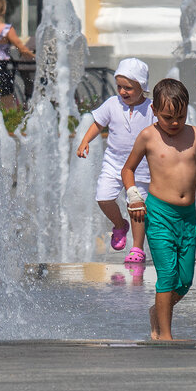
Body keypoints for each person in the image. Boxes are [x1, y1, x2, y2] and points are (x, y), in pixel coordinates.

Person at [122, 79, 196, 340]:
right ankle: (165, 335)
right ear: (154, 110)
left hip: (187, 217)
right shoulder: (148, 136)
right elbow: (127, 169)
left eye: (180, 116)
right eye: (167, 117)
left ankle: (158, 311)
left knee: (184, 281)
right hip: (160, 214)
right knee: (167, 275)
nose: (175, 123)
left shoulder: (194, 135)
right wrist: (134, 196)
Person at [75, 57, 155, 268]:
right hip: (114, 162)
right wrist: (85, 140)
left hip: (141, 166)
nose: (122, 92)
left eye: (128, 88)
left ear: (142, 87)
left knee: (136, 206)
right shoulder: (112, 104)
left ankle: (137, 247)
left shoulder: (152, 109)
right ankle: (119, 224)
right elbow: (98, 123)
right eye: (119, 86)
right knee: (103, 197)